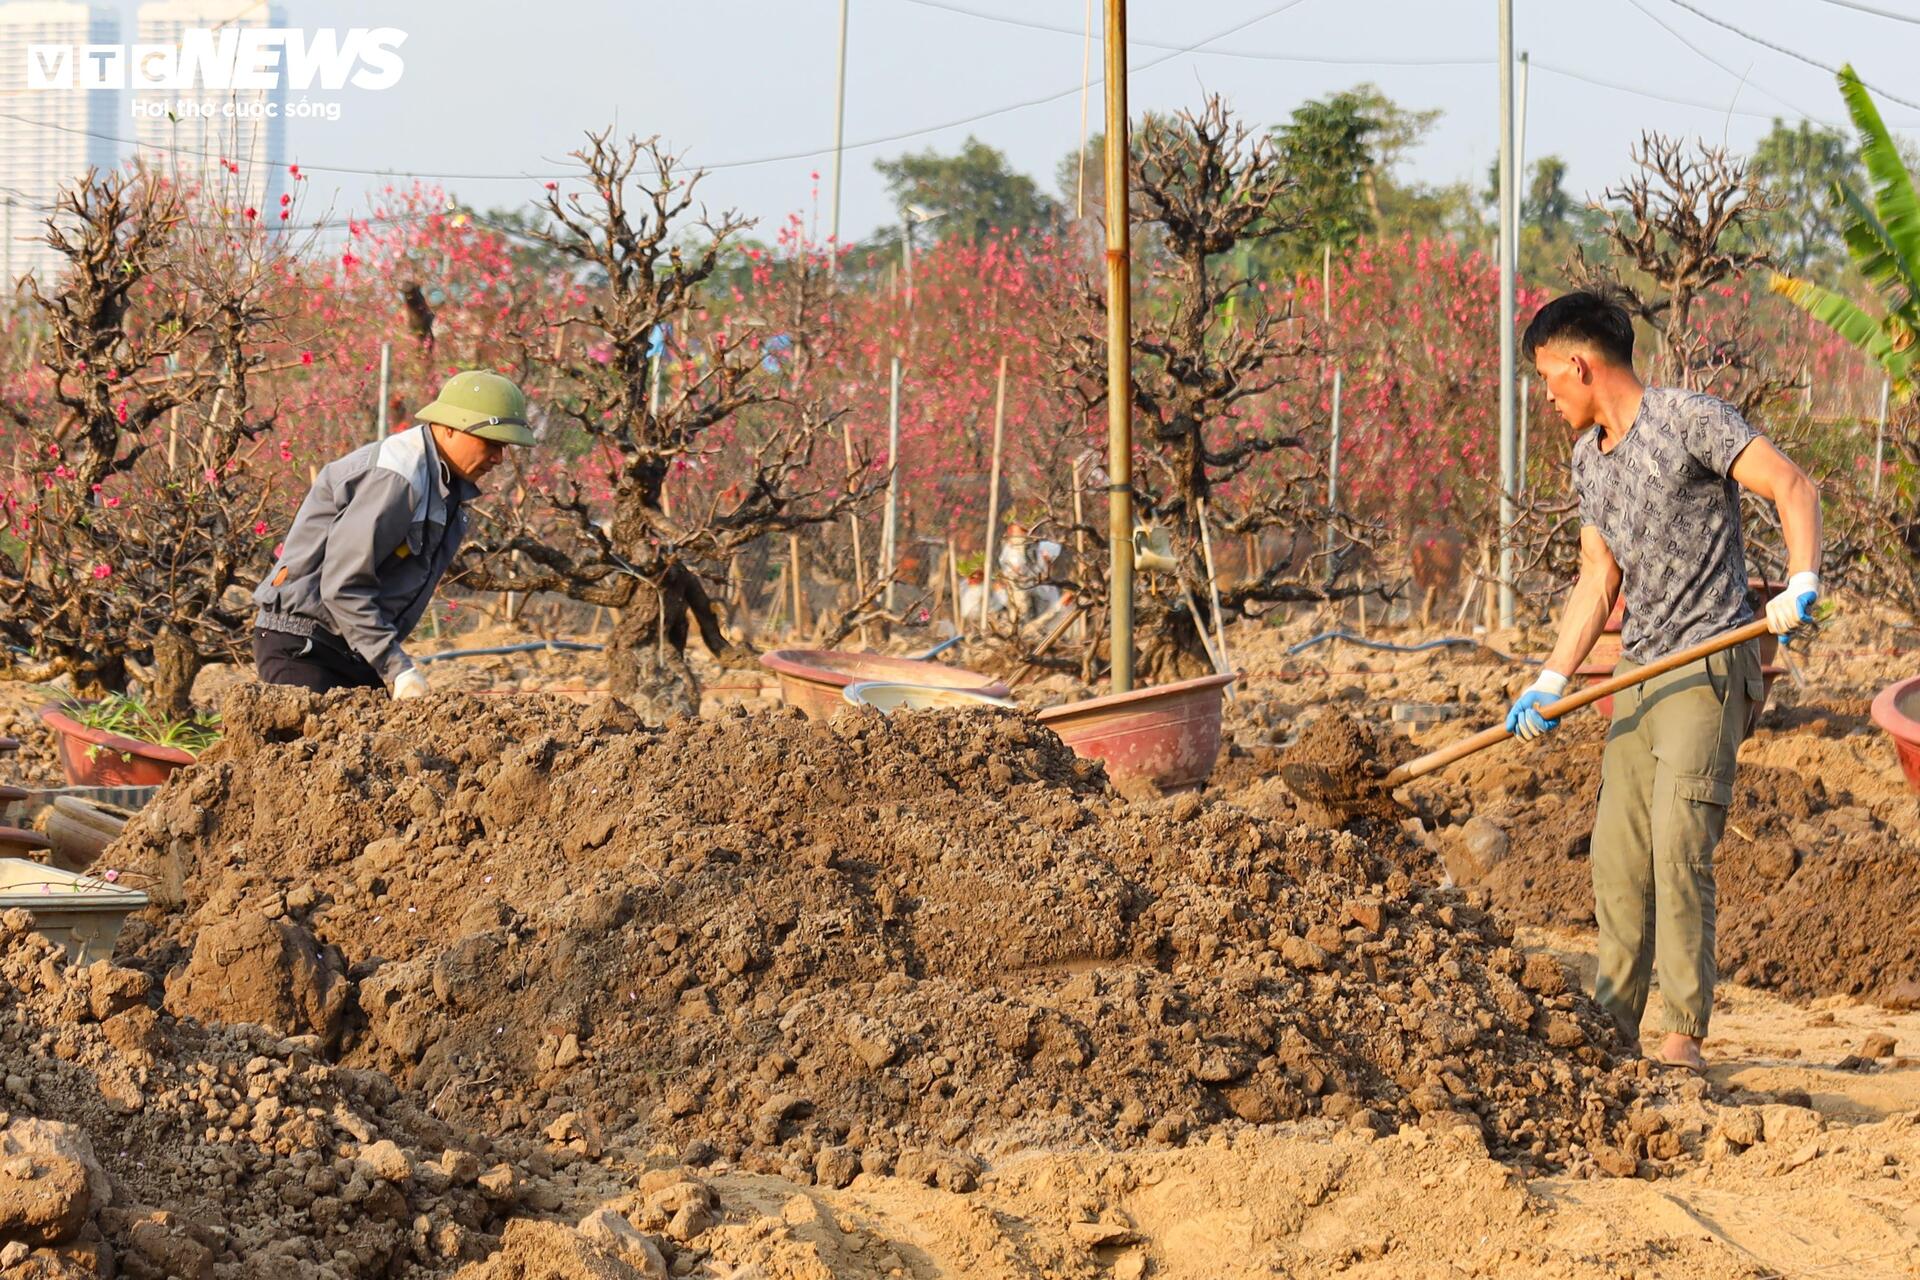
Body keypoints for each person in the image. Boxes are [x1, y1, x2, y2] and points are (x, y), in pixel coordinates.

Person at [1506, 292, 1822, 1072]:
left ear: (1579, 366)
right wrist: (1551, 678)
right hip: (1640, 672)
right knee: (1617, 856)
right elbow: (1596, 577)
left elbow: (1793, 488)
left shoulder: (1690, 420)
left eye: (1548, 379)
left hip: (1710, 660)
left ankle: (1682, 1033)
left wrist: (1801, 579)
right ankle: (1614, 1022)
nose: (1546, 397)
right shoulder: (1589, 460)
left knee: (1681, 846)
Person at [252, 370, 535, 698]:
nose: (499, 458)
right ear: (448, 428)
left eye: (505, 447)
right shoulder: (397, 478)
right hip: (307, 647)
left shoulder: (446, 490)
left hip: (351, 650)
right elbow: (343, 586)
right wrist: (397, 667)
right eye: (491, 443)